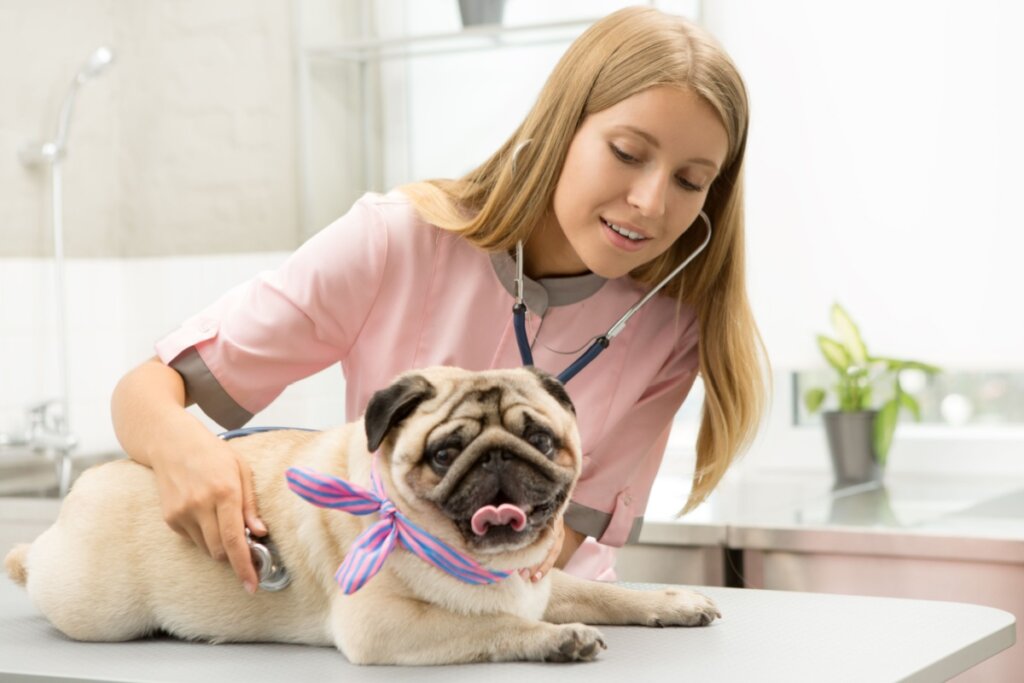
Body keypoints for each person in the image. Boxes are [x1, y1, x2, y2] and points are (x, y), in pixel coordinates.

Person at [111, 6, 767, 595]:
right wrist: (185, 452)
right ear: (563, 126)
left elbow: (566, 541)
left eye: (690, 180)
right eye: (627, 153)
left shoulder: (671, 326)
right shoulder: (395, 240)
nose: (651, 203)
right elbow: (145, 390)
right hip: (392, 621)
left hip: (536, 629)